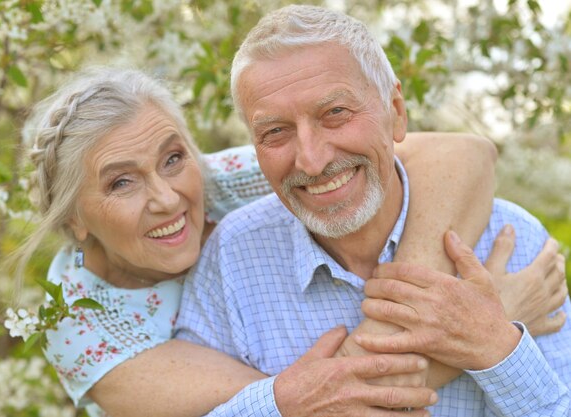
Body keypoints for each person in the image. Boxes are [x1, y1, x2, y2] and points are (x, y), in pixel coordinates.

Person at [16, 68, 564, 417]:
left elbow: (462, 152)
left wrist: (432, 295)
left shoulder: (220, 178)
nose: (167, 197)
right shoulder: (80, 326)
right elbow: (333, 400)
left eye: (172, 158)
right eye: (120, 182)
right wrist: (491, 322)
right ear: (76, 219)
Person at [176, 5, 571, 416]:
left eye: (335, 114)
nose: (311, 161)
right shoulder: (233, 255)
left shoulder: (509, 237)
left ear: (396, 112)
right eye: (275, 132)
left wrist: (494, 346)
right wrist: (284, 403)